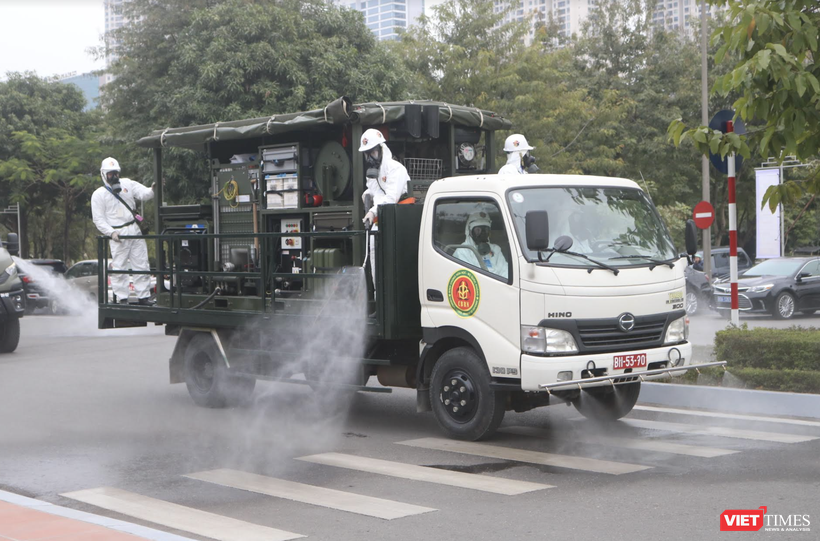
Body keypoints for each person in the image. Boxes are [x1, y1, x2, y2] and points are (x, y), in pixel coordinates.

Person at [91, 157, 155, 305]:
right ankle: (122, 298)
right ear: (103, 174)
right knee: (119, 267)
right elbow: (98, 219)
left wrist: (153, 189)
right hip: (118, 235)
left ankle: (143, 297)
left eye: (116, 173)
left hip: (134, 230)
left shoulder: (128, 184)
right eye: (110, 174)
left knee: (141, 264)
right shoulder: (99, 194)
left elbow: (144, 194)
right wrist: (111, 233)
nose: (114, 177)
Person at [358, 128, 410, 294]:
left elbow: (390, 198)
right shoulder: (373, 174)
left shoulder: (396, 169)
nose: (370, 157)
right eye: (367, 153)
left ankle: (391, 304)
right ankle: (380, 302)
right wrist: (367, 194)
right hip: (381, 220)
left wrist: (372, 211)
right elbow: (376, 193)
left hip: (399, 220)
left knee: (392, 264)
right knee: (374, 260)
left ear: (381, 149)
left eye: (372, 151)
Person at [453, 211, 509, 279]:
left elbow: (505, 273)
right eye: (478, 230)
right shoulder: (462, 251)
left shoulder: (495, 249)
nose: (482, 233)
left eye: (486, 230)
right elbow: (469, 277)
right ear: (469, 231)